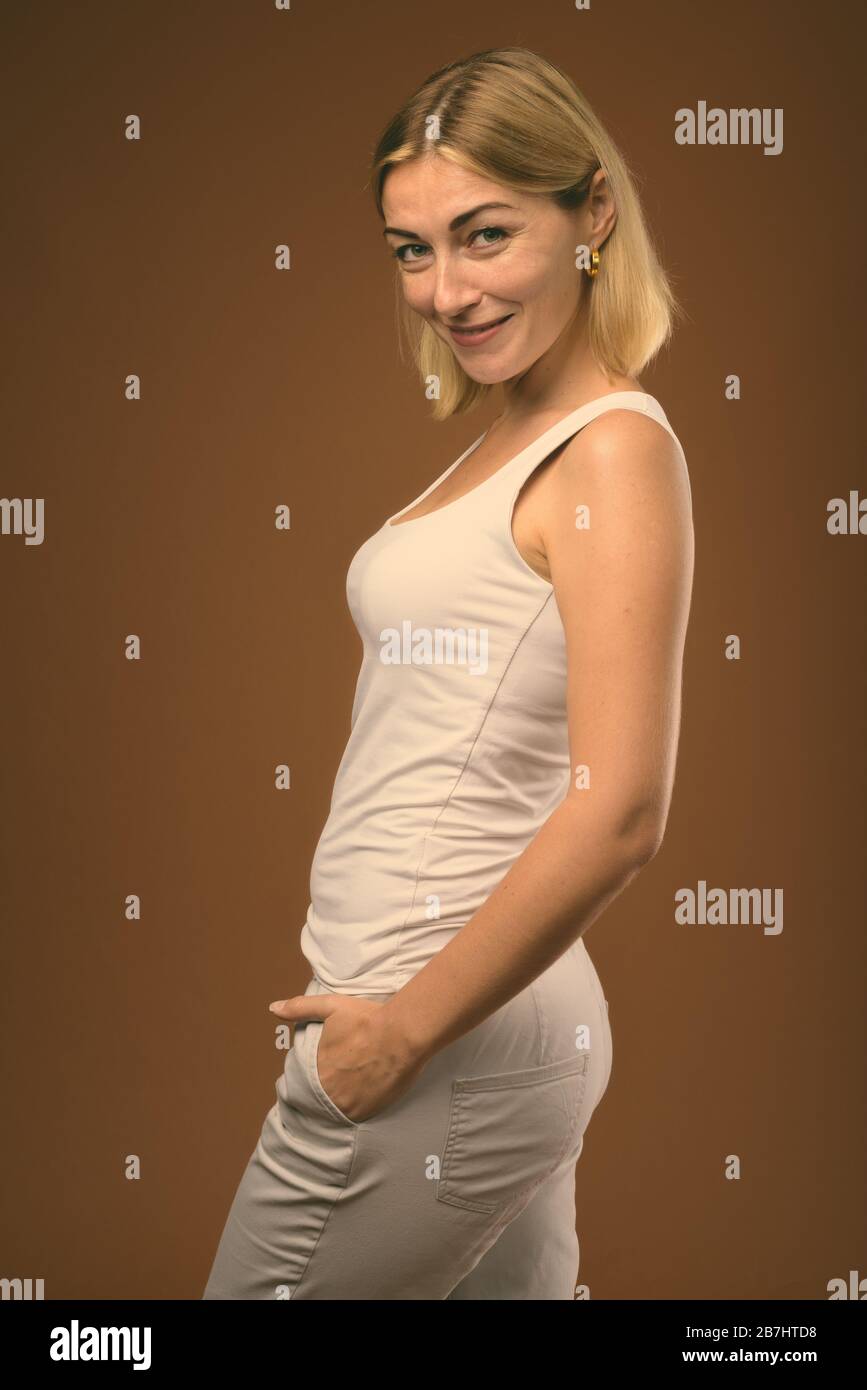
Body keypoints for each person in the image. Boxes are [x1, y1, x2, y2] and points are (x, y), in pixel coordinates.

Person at [203, 45, 694, 1300]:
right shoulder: (509, 437)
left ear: (592, 213)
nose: (445, 289)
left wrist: (403, 1032)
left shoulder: (609, 455)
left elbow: (622, 806)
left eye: (484, 236)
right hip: (464, 1027)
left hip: (436, 1032)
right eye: (412, 249)